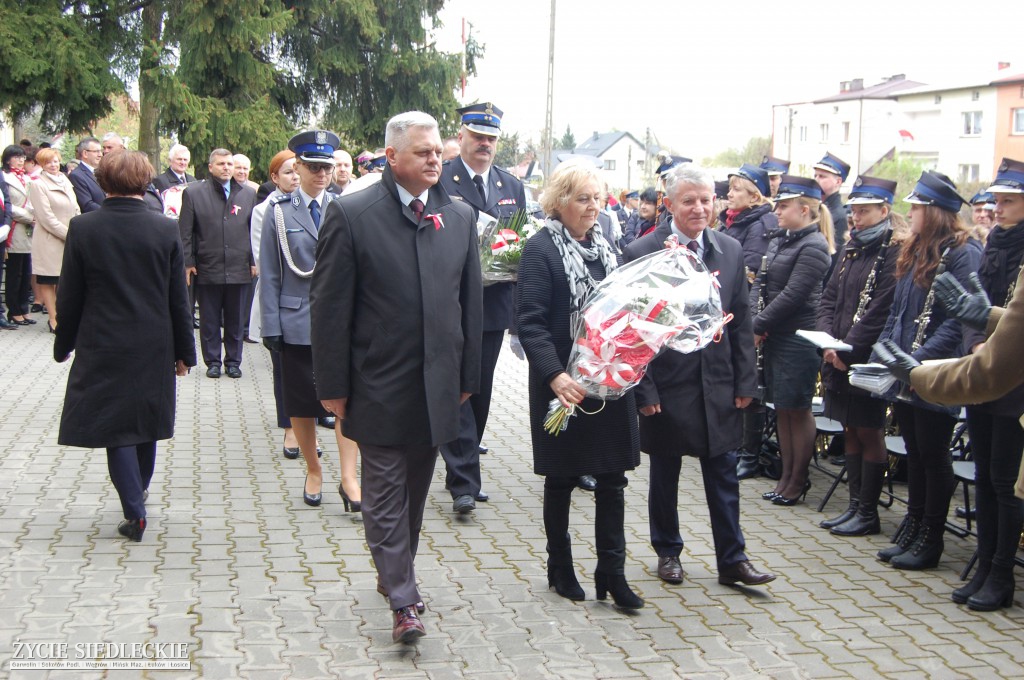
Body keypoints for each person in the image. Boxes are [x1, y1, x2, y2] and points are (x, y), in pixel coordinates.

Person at [310, 111, 481, 644]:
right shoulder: (353, 214)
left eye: (438, 151)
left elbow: (469, 304)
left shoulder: (459, 217)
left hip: (438, 385)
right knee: (383, 492)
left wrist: (467, 375)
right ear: (392, 157)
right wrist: (332, 386)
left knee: (413, 490)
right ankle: (404, 600)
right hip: (377, 380)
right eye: (424, 152)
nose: (436, 160)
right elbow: (329, 308)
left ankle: (394, 573)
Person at [624, 163, 775, 589]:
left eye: (707, 199)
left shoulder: (729, 250)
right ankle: (668, 552)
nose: (699, 208)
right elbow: (636, 329)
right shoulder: (643, 252)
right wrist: (645, 388)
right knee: (666, 472)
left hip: (719, 382)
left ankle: (732, 559)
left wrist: (747, 381)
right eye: (689, 200)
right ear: (669, 204)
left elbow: (742, 321)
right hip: (669, 383)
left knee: (723, 471)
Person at [888, 157, 1024, 610]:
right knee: (985, 477)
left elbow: (983, 315)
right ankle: (985, 566)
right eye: (998, 200)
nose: (997, 209)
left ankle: (1000, 573)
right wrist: (978, 342)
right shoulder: (1001, 243)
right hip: (980, 370)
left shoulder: (976, 248)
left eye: (1008, 202)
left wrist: (985, 347)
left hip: (1011, 381)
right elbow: (973, 309)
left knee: (1003, 482)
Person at [516, 160, 644, 610]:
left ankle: (612, 572)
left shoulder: (609, 247)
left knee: (613, 480)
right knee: (562, 477)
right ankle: (560, 567)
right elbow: (529, 323)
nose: (592, 207)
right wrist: (555, 375)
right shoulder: (540, 250)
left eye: (597, 198)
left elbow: (628, 313)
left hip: (609, 382)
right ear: (559, 203)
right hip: (563, 384)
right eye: (582, 198)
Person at [53, 150, 196, 542]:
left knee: (117, 427)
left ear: (103, 182)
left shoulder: (83, 228)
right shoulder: (164, 229)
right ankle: (138, 493)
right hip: (153, 342)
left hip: (103, 342)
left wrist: (63, 343)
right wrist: (185, 351)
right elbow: (177, 299)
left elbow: (70, 295)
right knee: (143, 419)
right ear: (146, 180)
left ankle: (135, 506)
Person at [873, 170, 981, 571]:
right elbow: (898, 311)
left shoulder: (963, 251)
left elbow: (959, 321)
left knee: (934, 454)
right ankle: (913, 522)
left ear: (934, 211)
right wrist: (886, 352)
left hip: (934, 370)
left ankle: (931, 536)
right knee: (915, 452)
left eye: (917, 207)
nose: (910, 213)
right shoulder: (915, 247)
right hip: (906, 368)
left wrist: (916, 364)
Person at [260, 131, 362, 512]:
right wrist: (270, 325)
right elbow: (270, 273)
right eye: (313, 167)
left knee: (345, 401)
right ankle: (314, 469)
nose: (321, 174)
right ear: (297, 167)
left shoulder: (347, 207)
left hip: (341, 323)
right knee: (301, 403)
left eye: (327, 167)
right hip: (297, 322)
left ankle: (350, 477)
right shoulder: (280, 212)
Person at [439, 102, 529, 512]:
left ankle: (463, 460)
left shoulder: (511, 186)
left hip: (492, 303)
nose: (485, 145)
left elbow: (518, 241)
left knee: (480, 387)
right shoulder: (441, 178)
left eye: (491, 139)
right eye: (477, 137)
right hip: (450, 299)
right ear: (461, 137)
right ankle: (463, 480)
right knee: (456, 383)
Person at [816, 176, 902, 536]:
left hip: (864, 359)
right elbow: (829, 297)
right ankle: (854, 506)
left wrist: (847, 350)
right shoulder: (852, 248)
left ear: (884, 211)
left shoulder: (893, 251)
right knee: (849, 427)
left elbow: (880, 309)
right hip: (838, 353)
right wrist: (827, 342)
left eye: (864, 211)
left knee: (868, 429)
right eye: (853, 211)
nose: (855, 218)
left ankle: (868, 511)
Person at [751, 175, 834, 505]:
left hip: (798, 338)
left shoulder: (814, 246)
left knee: (797, 410)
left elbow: (794, 295)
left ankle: (798, 480)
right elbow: (762, 283)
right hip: (775, 334)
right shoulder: (780, 240)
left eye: (783, 207)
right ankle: (785, 476)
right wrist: (754, 321)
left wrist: (758, 325)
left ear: (804, 210)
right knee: (782, 409)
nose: (778, 212)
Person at [178, 149, 258, 379]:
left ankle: (233, 361)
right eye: (221, 163)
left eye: (229, 163)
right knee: (209, 318)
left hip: (239, 266)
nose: (226, 167)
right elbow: (185, 231)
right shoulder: (194, 193)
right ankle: (212, 361)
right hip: (207, 265)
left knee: (235, 318)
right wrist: (188, 261)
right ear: (211, 167)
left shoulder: (247, 194)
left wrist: (253, 260)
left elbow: (254, 231)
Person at [249, 150, 302, 458]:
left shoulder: (328, 204)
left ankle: (314, 417)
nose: (294, 177)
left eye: (298, 171)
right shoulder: (266, 210)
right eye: (287, 172)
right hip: (284, 298)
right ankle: (290, 427)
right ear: (274, 178)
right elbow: (265, 261)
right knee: (286, 371)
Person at [27, 147, 79, 332]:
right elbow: (46, 218)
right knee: (49, 279)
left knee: (64, 280)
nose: (53, 165)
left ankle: (64, 315)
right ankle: (53, 318)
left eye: (56, 161)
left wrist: (78, 228)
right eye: (48, 162)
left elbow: (75, 207)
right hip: (50, 239)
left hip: (69, 236)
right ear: (41, 164)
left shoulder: (65, 180)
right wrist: (68, 234)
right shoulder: (38, 184)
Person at [3, 146, 34, 328]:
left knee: (26, 272)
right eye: (16, 157)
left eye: (22, 157)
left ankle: (24, 308)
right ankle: (13, 310)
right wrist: (29, 217)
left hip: (28, 230)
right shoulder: (5, 178)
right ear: (8, 160)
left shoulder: (27, 178)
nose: (21, 160)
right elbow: (8, 205)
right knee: (15, 272)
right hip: (15, 229)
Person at [813, 152, 851, 256]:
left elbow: (835, 255)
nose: (816, 180)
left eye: (822, 176)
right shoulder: (815, 208)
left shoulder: (839, 216)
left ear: (838, 182)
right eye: (815, 175)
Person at [68, 137, 105, 214]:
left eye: (101, 151)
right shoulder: (76, 175)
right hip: (94, 221)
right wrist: (109, 212)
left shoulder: (102, 172)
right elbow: (86, 204)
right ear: (85, 153)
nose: (100, 155)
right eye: (96, 151)